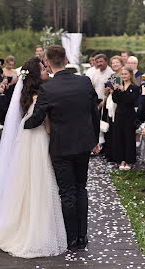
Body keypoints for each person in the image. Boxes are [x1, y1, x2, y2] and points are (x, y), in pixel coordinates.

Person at [0, 56, 68, 257]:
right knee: (39, 179)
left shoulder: (27, 94)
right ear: (36, 75)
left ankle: (26, 220)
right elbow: (45, 124)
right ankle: (35, 228)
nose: (46, 69)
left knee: (26, 180)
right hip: (37, 139)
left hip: (25, 139)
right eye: (43, 68)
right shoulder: (41, 95)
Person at [24, 45, 100, 251]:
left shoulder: (46, 89)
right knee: (80, 188)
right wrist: (94, 140)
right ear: (66, 59)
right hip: (83, 144)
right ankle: (83, 237)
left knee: (66, 193)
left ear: (47, 62)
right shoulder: (84, 81)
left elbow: (38, 118)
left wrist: (23, 125)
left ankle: (72, 238)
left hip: (61, 147)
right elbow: (95, 112)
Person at [111, 66, 139, 170]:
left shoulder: (135, 87)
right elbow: (115, 100)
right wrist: (115, 91)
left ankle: (129, 161)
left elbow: (130, 100)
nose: (124, 76)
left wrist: (123, 91)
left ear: (130, 74)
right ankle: (121, 159)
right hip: (119, 114)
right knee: (120, 137)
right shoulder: (119, 85)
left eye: (126, 74)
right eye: (122, 74)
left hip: (129, 115)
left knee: (129, 137)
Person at [104, 55, 124, 162]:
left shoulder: (123, 75)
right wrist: (107, 89)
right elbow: (106, 92)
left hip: (119, 103)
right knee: (110, 129)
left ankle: (118, 154)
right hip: (110, 102)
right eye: (113, 63)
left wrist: (114, 90)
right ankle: (111, 153)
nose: (115, 64)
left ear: (121, 63)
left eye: (117, 62)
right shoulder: (112, 76)